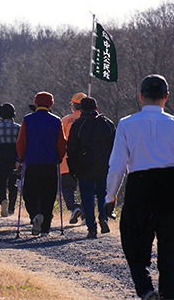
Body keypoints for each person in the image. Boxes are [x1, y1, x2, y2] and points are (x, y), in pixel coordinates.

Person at [105, 74, 174, 300]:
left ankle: (146, 290)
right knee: (169, 253)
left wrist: (110, 197)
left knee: (135, 247)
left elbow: (117, 166)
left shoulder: (127, 124)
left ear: (140, 96)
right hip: (170, 187)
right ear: (166, 97)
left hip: (140, 188)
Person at [16, 92, 67, 236]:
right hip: (50, 164)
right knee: (48, 196)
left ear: (36, 103)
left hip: (32, 163)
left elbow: (21, 143)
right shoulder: (56, 121)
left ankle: (35, 216)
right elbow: (62, 144)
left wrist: (21, 157)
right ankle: (45, 229)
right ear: (50, 105)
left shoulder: (27, 119)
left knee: (29, 194)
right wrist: (59, 157)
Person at [66, 97, 115, 239]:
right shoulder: (107, 124)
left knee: (87, 198)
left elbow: (71, 149)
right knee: (102, 194)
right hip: (103, 167)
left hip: (84, 168)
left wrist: (73, 169)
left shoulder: (78, 125)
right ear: (96, 108)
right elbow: (115, 146)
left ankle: (91, 228)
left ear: (81, 110)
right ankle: (103, 218)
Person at [60, 92, 86, 224]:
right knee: (86, 188)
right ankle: (86, 215)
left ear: (74, 106)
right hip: (87, 160)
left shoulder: (65, 120)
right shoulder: (92, 119)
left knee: (68, 187)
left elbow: (59, 140)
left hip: (67, 160)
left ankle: (74, 207)